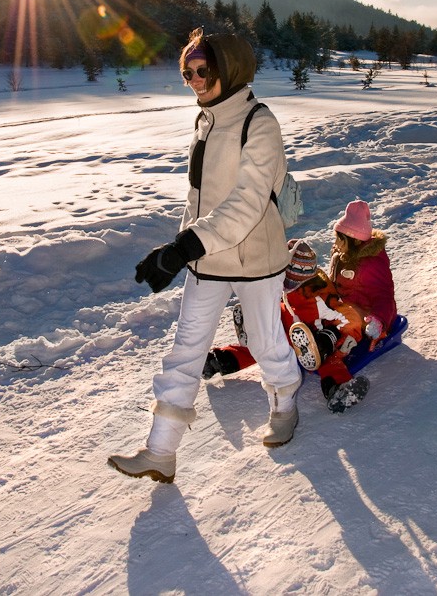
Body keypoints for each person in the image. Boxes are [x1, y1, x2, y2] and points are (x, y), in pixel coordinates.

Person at [108, 28, 302, 483]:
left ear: (229, 69)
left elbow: (247, 202)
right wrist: (178, 248)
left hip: (255, 257)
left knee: (264, 341)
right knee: (185, 351)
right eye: (188, 72)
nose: (194, 80)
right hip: (208, 259)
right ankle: (160, 451)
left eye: (204, 70)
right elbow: (198, 199)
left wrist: (185, 247)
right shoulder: (207, 120)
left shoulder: (259, 123)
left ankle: (285, 404)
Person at [203, 200, 397, 414]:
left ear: (353, 239)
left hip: (363, 317)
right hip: (326, 312)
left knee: (329, 356)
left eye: (339, 239)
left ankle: (338, 386)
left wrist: (378, 320)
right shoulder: (341, 255)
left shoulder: (371, 264)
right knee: (270, 340)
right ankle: (220, 359)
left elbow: (384, 297)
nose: (335, 243)